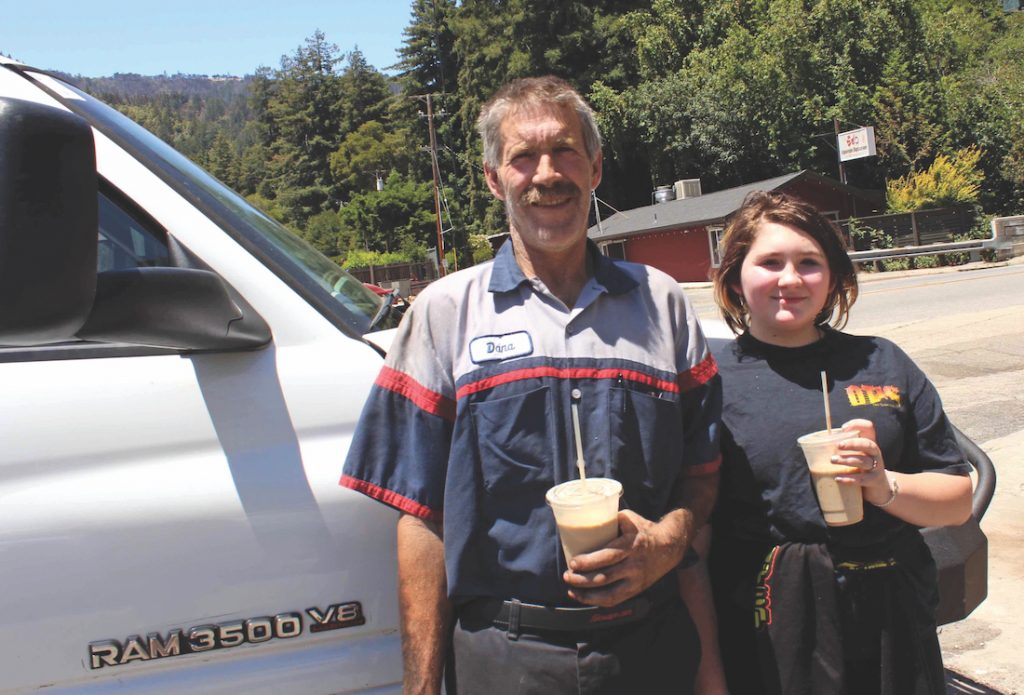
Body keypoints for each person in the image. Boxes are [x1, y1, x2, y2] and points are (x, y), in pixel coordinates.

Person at [340, 76, 721, 694]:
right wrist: (420, 687)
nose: (548, 173)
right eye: (524, 156)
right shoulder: (443, 312)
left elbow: (703, 472)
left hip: (652, 648)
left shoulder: (663, 303)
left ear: (595, 169)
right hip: (504, 658)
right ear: (494, 179)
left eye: (566, 151)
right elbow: (420, 518)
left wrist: (668, 540)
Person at [682, 190, 973, 695]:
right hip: (768, 618)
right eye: (770, 262)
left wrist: (883, 486)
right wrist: (709, 673)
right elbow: (697, 540)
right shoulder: (710, 382)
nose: (790, 279)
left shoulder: (883, 363)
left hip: (889, 613)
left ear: (834, 277)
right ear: (734, 277)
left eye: (809, 263)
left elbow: (957, 502)